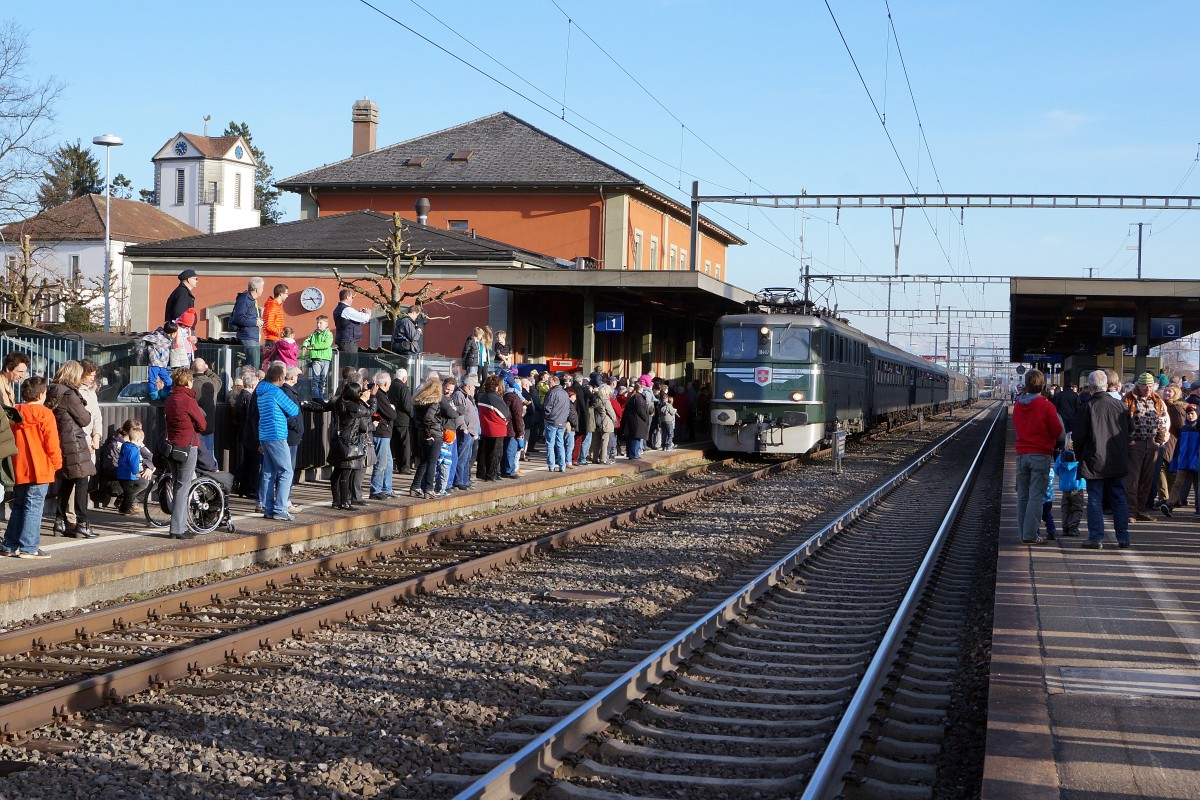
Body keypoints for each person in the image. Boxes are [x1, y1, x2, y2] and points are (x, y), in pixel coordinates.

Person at [2, 377, 61, 558]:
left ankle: (9, 545)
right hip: (40, 467)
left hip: (18, 466)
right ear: (42, 394)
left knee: (19, 505)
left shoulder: (14, 412)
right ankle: (29, 547)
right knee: (34, 507)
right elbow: (52, 444)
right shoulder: (45, 414)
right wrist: (57, 464)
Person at [1075, 369, 1132, 549]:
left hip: (1094, 460)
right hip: (1117, 459)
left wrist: (1080, 455)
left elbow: (1078, 437)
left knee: (1094, 499)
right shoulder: (1121, 406)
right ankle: (1123, 537)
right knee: (1119, 497)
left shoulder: (1087, 407)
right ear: (1106, 385)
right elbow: (1130, 431)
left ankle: (1096, 538)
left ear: (1090, 388)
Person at [46, 361, 97, 539]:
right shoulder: (69, 394)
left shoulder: (53, 390)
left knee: (67, 481)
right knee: (82, 480)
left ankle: (59, 521)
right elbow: (85, 419)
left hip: (60, 440)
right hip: (74, 442)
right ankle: (82, 523)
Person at [1012, 369, 1063, 545]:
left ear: (1026, 385)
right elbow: (1057, 431)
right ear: (1043, 385)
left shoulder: (1018, 405)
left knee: (1022, 497)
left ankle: (1024, 533)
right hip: (1040, 455)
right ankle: (1030, 535)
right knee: (1035, 496)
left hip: (1021, 455)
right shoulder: (1047, 406)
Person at [164, 367, 206, 540]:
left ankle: (178, 526)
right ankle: (177, 529)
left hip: (172, 447)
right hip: (187, 447)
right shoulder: (189, 401)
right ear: (188, 381)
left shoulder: (170, 399)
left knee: (177, 485)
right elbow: (202, 425)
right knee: (183, 487)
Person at [256, 363, 300, 521]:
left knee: (268, 472)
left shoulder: (261, 392)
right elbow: (294, 410)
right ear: (281, 378)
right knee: (286, 472)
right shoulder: (276, 392)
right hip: (277, 434)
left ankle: (268, 508)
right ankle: (280, 508)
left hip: (265, 435)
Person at [1124, 372, 1169, 521]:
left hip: (1152, 443)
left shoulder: (1157, 399)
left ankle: (1141, 510)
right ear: (1139, 385)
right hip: (1135, 443)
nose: (1148, 389)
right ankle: (1131, 511)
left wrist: (1159, 440)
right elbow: (1121, 421)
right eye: (1144, 386)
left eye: (1150, 386)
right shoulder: (1128, 399)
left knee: (1147, 479)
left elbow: (1163, 421)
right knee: (1133, 479)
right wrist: (1129, 439)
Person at [329, 381, 371, 510]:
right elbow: (369, 412)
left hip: (338, 441)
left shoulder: (338, 402)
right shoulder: (353, 407)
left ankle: (336, 501)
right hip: (349, 443)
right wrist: (369, 399)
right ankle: (345, 502)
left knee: (337, 472)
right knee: (345, 473)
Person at [410, 375, 445, 497]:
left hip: (421, 434)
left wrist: (423, 432)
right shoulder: (434, 402)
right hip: (433, 434)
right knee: (432, 462)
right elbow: (428, 418)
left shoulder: (419, 401)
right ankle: (429, 489)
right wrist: (428, 434)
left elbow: (417, 419)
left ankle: (415, 486)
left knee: (424, 461)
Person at [1161, 404, 1199, 516]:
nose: (1190, 416)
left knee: (1197, 486)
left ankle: (1198, 507)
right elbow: (1178, 448)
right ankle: (1169, 505)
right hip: (1183, 462)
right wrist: (1174, 462)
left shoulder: (1198, 429)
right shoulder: (1183, 429)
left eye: (1192, 414)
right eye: (1188, 414)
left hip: (1196, 462)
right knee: (1178, 483)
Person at [476, 374, 509, 483]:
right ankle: (492, 474)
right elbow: (506, 414)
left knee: (484, 451)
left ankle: (482, 472)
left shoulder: (481, 396)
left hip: (485, 427)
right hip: (497, 428)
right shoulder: (495, 398)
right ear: (496, 386)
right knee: (496, 453)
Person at [369, 371, 397, 499]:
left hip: (384, 432)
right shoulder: (380, 395)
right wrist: (392, 409)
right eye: (390, 382)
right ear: (385, 383)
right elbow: (392, 414)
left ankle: (387, 488)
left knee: (388, 463)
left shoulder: (382, 395)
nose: (390, 384)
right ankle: (376, 490)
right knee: (381, 463)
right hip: (381, 433)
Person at [451, 375, 479, 490]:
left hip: (471, 431)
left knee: (468, 458)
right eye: (474, 387)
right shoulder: (459, 395)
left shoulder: (469, 396)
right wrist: (463, 427)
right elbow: (459, 413)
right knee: (462, 457)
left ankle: (465, 480)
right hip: (465, 431)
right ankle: (458, 481)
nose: (475, 389)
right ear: (468, 386)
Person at [116, 428, 153, 515]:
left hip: (122, 474)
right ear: (138, 440)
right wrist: (136, 472)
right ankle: (125, 509)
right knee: (129, 494)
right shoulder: (134, 449)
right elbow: (133, 462)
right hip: (128, 475)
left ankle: (123, 508)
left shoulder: (125, 446)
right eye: (141, 441)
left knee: (128, 492)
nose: (141, 443)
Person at [230, 277, 265, 370]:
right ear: (257, 289)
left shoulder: (250, 300)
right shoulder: (245, 299)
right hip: (248, 337)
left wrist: (257, 320)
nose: (263, 290)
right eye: (262, 287)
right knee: (252, 367)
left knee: (254, 366)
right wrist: (255, 322)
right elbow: (239, 317)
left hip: (252, 336)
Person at [191, 358, 221, 456]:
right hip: (208, 427)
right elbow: (218, 379)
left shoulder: (190, 385)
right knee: (209, 457)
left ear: (192, 368)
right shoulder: (213, 383)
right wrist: (207, 369)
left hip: (193, 428)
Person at [1054, 448, 1087, 537]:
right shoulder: (1080, 455)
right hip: (1077, 486)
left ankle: (1065, 528)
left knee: (1065, 508)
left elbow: (1056, 469)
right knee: (1077, 508)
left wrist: (1063, 476)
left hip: (1065, 487)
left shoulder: (1061, 456)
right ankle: (1073, 527)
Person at [542, 374, 570, 472]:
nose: (548, 383)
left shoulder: (552, 393)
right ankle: (562, 466)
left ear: (554, 382)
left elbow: (547, 407)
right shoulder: (565, 393)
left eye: (549, 382)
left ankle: (551, 465)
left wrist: (546, 417)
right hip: (562, 421)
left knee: (550, 444)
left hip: (552, 421)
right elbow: (568, 408)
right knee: (560, 444)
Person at [388, 368, 414, 475]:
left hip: (393, 418)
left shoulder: (391, 386)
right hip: (403, 420)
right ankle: (405, 467)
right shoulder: (403, 388)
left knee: (396, 443)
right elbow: (407, 405)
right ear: (404, 378)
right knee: (405, 444)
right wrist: (413, 416)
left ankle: (399, 465)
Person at [302, 315, 334, 401]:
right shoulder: (314, 334)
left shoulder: (328, 334)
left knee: (322, 379)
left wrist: (313, 346)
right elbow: (307, 340)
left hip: (325, 359)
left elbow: (326, 344)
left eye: (320, 323)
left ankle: (321, 396)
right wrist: (304, 345)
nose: (318, 324)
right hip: (316, 359)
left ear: (326, 324)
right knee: (316, 379)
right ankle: (316, 397)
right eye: (317, 323)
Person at [143, 321, 176, 400]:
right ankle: (154, 396)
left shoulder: (168, 340)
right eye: (176, 333)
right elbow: (146, 338)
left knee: (168, 381)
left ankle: (163, 394)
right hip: (155, 363)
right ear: (172, 333)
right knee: (152, 380)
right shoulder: (158, 337)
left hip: (163, 365)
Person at [333, 289, 372, 355]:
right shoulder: (346, 309)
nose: (352, 299)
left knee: (345, 360)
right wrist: (368, 314)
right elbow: (364, 318)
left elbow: (350, 320)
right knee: (351, 361)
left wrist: (359, 314)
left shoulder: (339, 308)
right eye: (352, 297)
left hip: (344, 340)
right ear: (347, 297)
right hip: (348, 342)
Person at [501, 374, 525, 478]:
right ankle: (509, 471)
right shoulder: (515, 398)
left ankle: (503, 469)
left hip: (503, 428)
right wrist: (520, 432)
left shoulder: (503, 397)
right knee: (511, 451)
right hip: (512, 429)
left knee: (504, 450)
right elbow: (517, 417)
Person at [625, 379, 652, 459]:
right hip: (638, 421)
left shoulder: (634, 396)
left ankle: (633, 453)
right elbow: (640, 410)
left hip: (634, 420)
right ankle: (633, 454)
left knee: (634, 437)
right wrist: (646, 417)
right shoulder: (638, 397)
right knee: (635, 438)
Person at [591, 384, 617, 465]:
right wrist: (614, 419)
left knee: (596, 441)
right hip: (605, 422)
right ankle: (603, 459)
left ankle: (595, 458)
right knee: (604, 442)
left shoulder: (596, 399)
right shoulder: (605, 400)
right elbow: (611, 412)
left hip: (597, 422)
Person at [393, 304, 422, 371]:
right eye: (416, 315)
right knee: (411, 371)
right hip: (408, 350)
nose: (416, 317)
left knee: (402, 370)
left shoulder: (401, 320)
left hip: (401, 348)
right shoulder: (407, 321)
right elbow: (413, 337)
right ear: (413, 312)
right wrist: (418, 331)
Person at [262, 284, 288, 355]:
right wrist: (281, 333)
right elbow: (269, 326)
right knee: (274, 361)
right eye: (286, 293)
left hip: (275, 340)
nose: (287, 296)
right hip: (273, 341)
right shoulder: (272, 306)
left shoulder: (275, 306)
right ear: (280, 294)